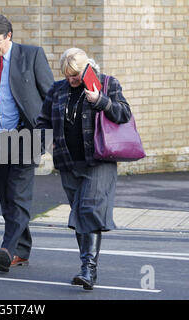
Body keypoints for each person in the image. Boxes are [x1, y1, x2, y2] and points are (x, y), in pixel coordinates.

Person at [36, 48, 131, 290]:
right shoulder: (57, 90)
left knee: (88, 209)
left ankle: (88, 269)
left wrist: (101, 101)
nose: (72, 79)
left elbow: (124, 114)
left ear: (87, 68)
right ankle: (86, 267)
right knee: (79, 214)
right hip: (68, 161)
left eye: (76, 74)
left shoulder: (107, 84)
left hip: (99, 159)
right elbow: (43, 120)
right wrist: (44, 144)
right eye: (67, 75)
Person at [0, 14, 54, 272]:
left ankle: (7, 248)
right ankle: (22, 249)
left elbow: (50, 94)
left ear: (9, 36)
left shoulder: (31, 56)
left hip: (25, 136)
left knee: (18, 194)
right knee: (6, 198)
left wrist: (50, 134)